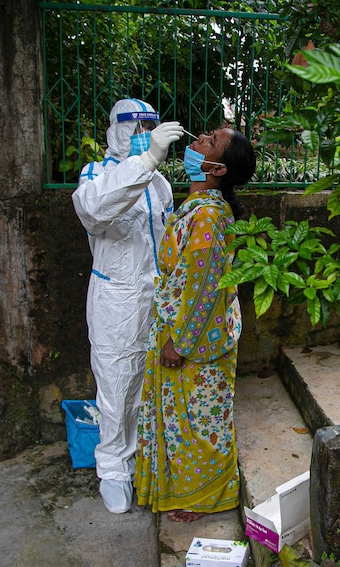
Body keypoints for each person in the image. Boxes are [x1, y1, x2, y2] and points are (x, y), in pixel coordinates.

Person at [134, 127, 256, 523]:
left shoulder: (206, 215)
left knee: (199, 421)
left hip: (196, 336)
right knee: (185, 417)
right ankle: (190, 488)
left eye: (210, 141)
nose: (200, 137)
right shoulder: (199, 206)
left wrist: (180, 343)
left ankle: (207, 496)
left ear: (216, 167)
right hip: (185, 327)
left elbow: (203, 289)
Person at [72, 98, 184, 514]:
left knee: (149, 386)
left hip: (155, 297)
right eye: (134, 128)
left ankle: (142, 458)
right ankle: (113, 468)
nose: (142, 135)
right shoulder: (96, 175)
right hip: (117, 301)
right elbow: (95, 211)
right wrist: (148, 158)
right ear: (115, 130)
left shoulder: (160, 185)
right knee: (116, 388)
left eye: (149, 128)